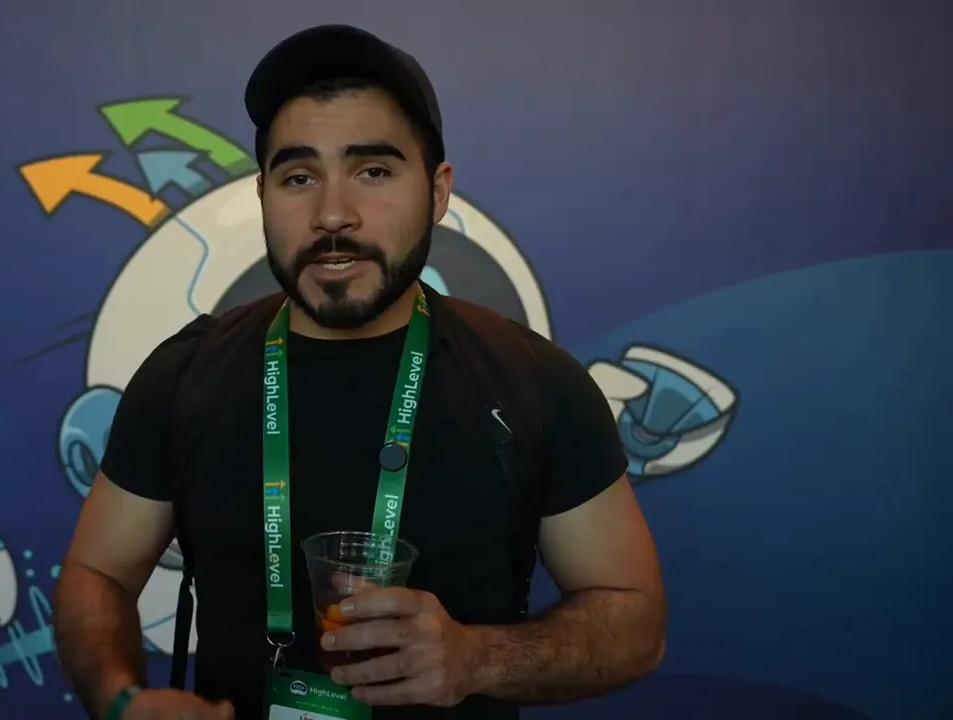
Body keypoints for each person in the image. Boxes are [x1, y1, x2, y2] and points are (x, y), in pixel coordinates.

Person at [54, 23, 666, 720]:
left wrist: (478, 658)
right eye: (299, 176)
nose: (333, 214)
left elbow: (636, 624)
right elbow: (95, 575)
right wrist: (123, 699)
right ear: (261, 196)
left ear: (437, 192)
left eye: (373, 171)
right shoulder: (184, 374)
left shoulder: (535, 383)